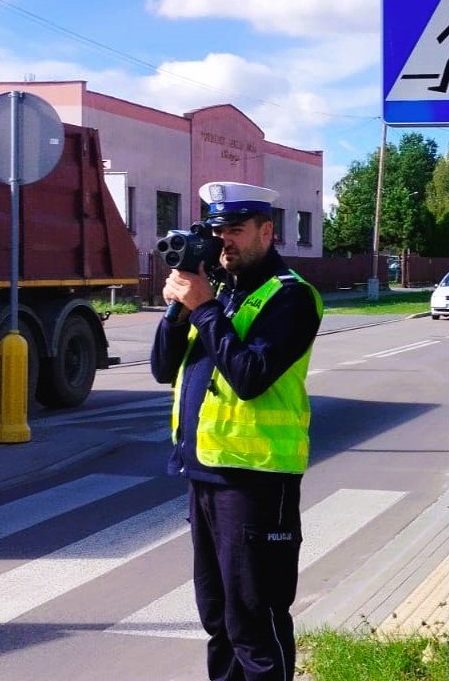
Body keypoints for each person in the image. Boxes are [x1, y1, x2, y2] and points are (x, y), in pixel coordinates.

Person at [151, 181, 323, 681]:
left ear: (266, 232)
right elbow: (164, 368)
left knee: (255, 620)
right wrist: (176, 310)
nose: (224, 241)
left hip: (257, 480)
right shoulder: (220, 293)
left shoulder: (290, 296)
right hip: (204, 472)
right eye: (216, 229)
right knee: (219, 621)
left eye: (236, 230)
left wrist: (202, 308)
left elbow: (249, 377)